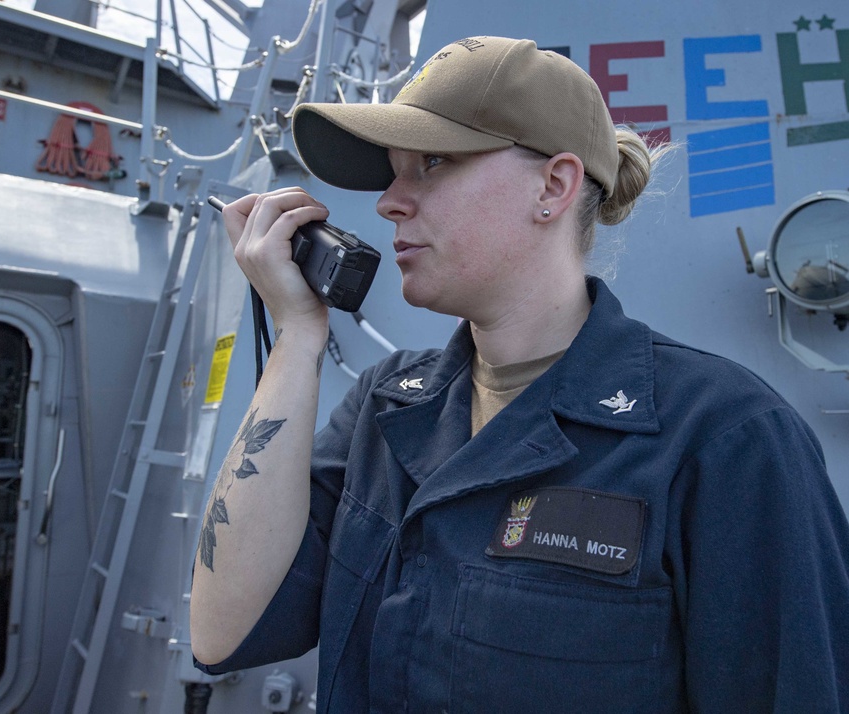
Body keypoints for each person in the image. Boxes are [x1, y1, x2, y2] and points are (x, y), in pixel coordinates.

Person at [190, 35, 849, 712]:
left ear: (553, 186)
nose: (389, 201)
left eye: (431, 163)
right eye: (394, 172)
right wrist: (297, 333)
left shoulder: (727, 438)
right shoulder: (383, 409)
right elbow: (221, 635)